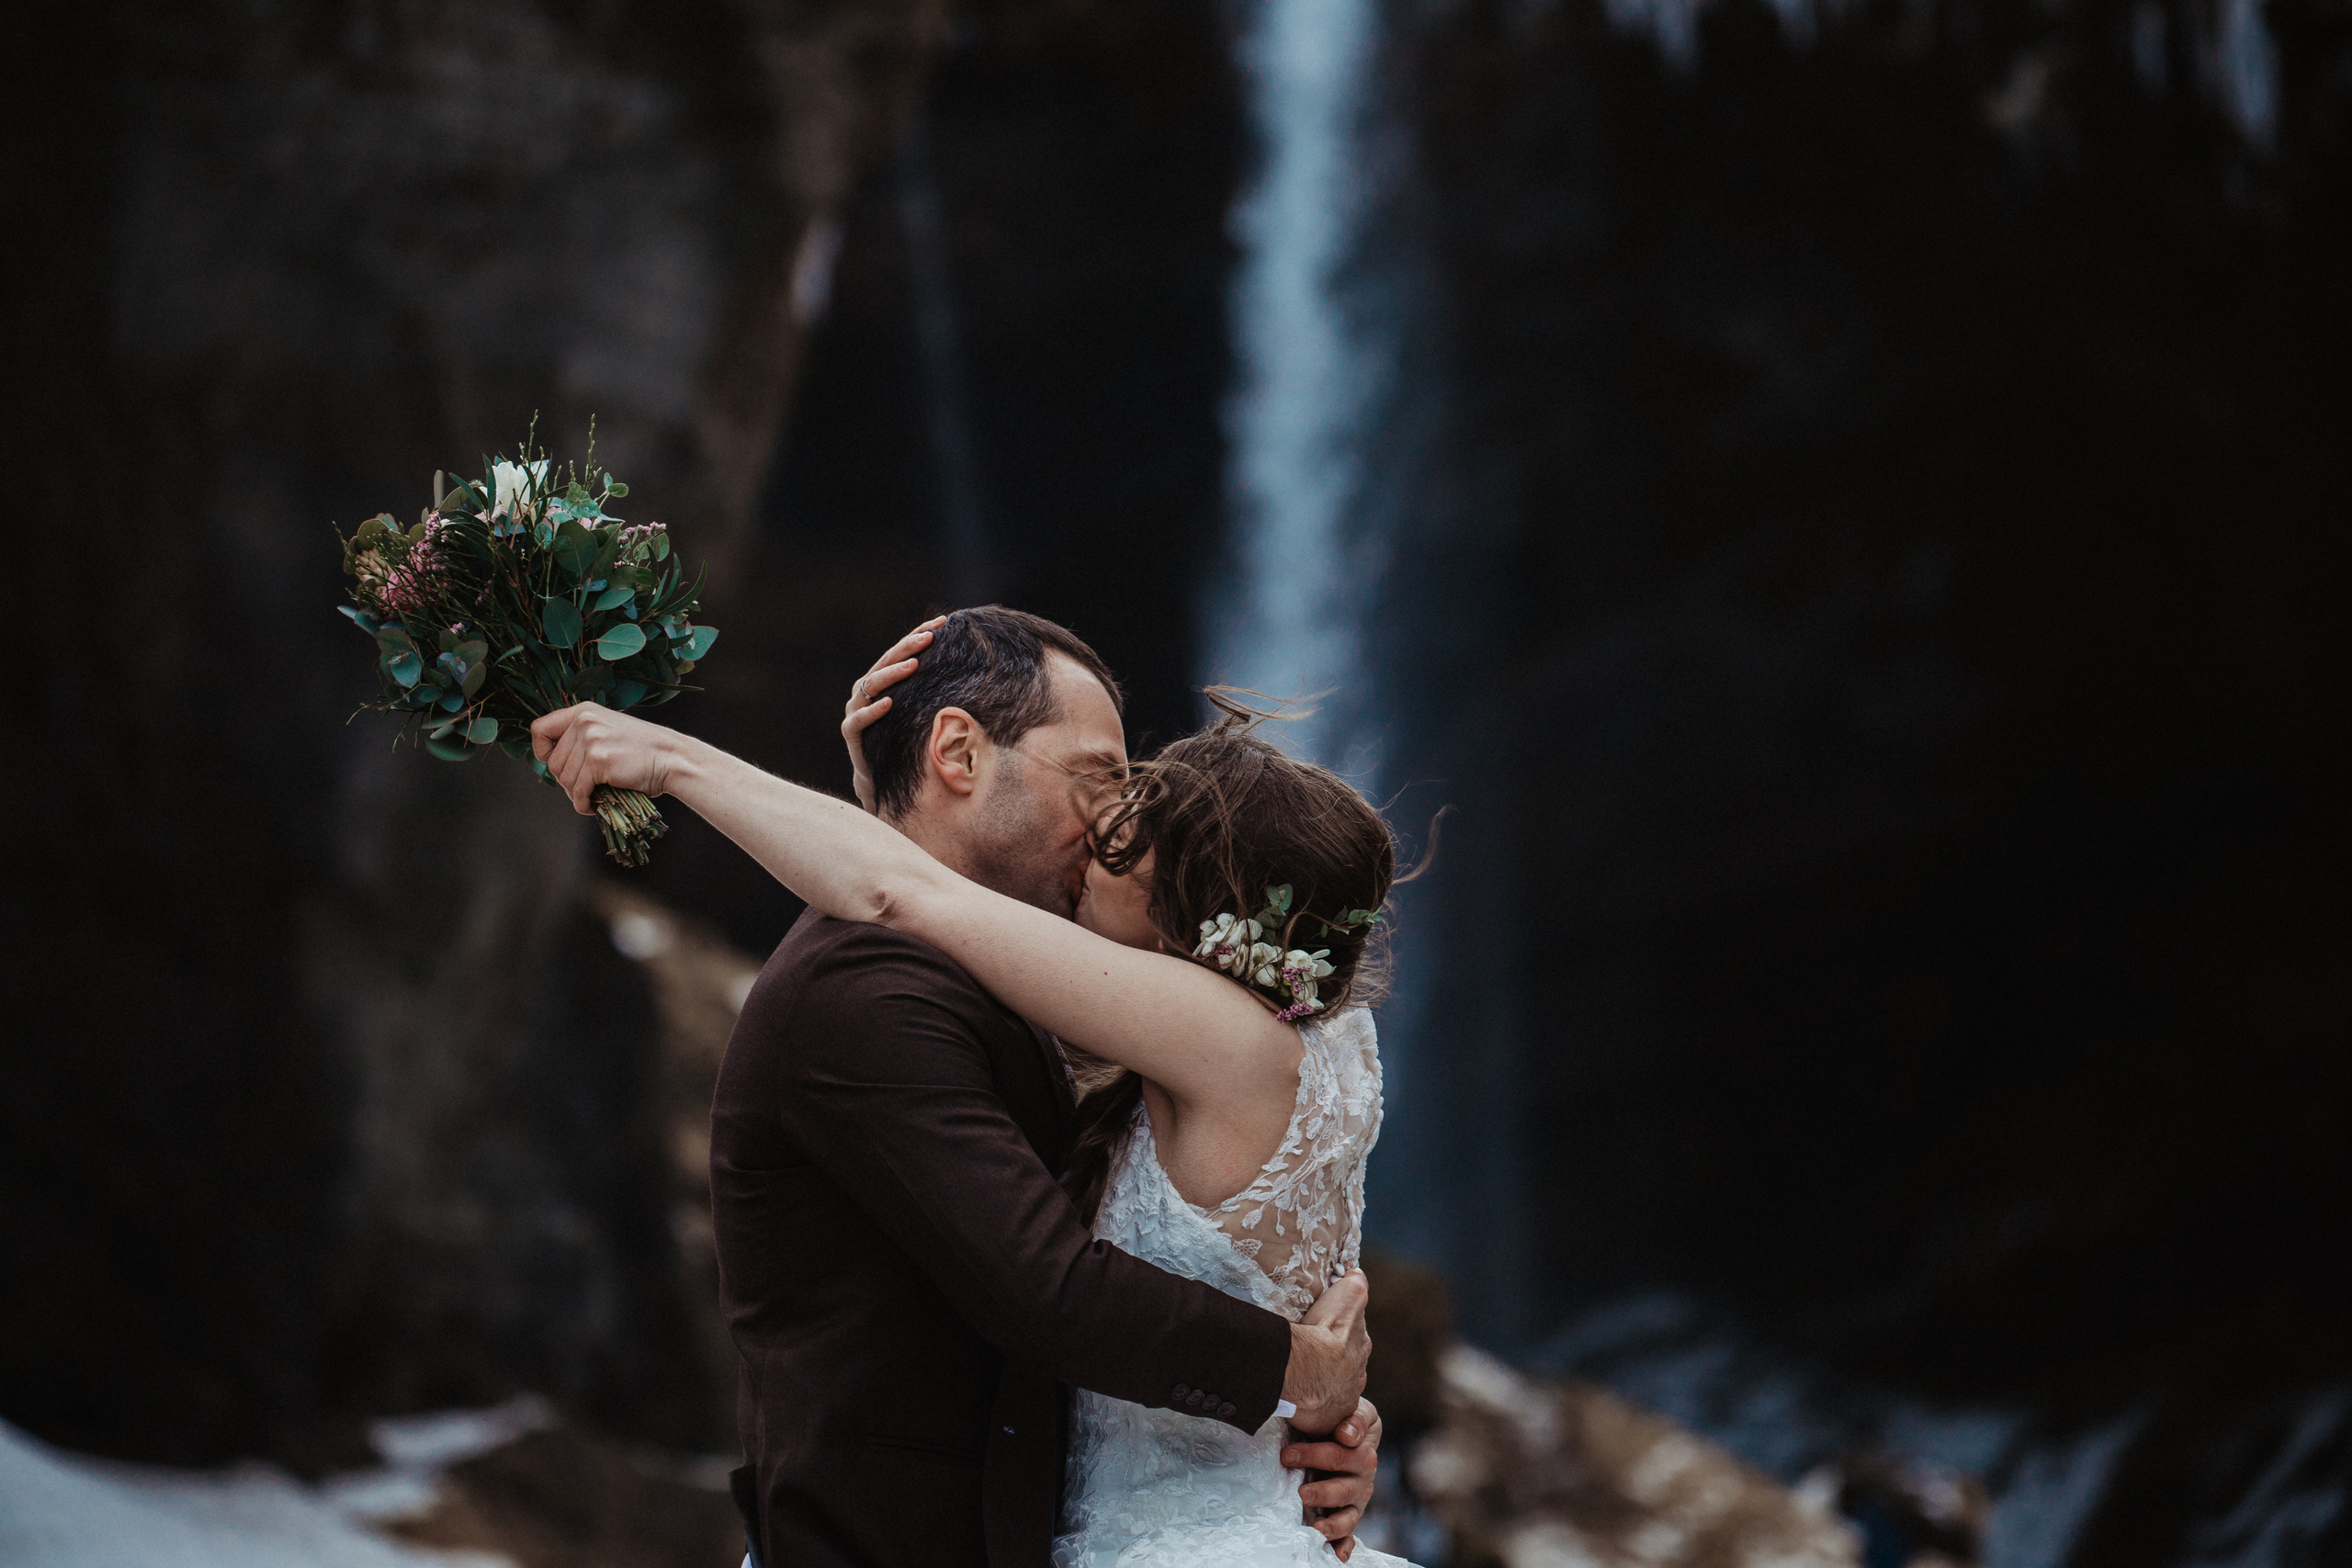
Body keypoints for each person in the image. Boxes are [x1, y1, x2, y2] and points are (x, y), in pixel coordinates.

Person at [532, 606, 1419, 1568]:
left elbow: (906, 888)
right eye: (1096, 781)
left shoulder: (1078, 999)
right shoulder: (865, 987)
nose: (1108, 828)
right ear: (958, 752)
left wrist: (1282, 1443)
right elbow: (1050, 1292)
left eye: (1131, 809)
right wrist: (1296, 1377)